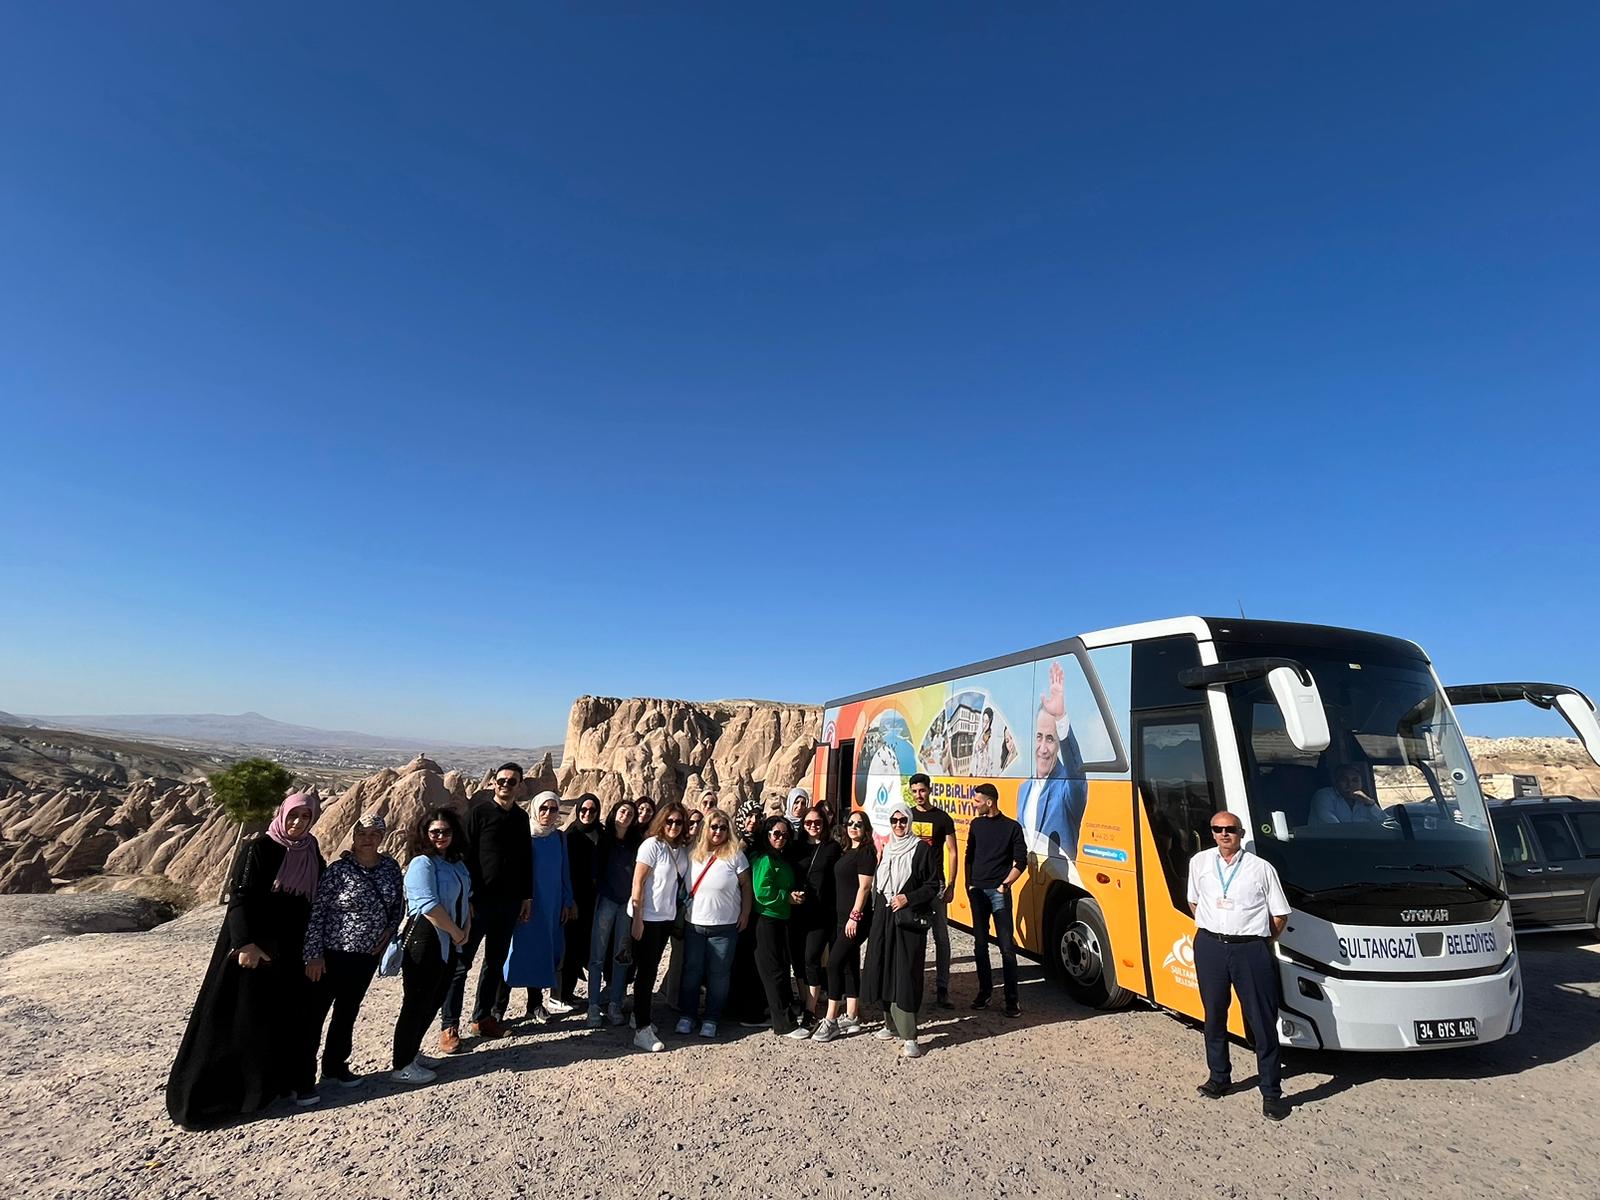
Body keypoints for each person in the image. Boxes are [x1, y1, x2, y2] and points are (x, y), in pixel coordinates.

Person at [167, 794, 325, 1126]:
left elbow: (314, 905)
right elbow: (241, 899)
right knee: (236, 1020)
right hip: (254, 950)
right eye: (293, 815)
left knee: (274, 1021)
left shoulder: (311, 852)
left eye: (305, 817)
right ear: (282, 814)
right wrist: (245, 945)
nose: (298, 822)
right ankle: (211, 1100)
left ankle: (265, 1091)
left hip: (290, 952)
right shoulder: (260, 849)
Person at [1187, 810, 1292, 1121]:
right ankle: (1219, 1078)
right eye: (1217, 829)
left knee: (1261, 1020)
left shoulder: (1261, 869)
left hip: (1250, 949)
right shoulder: (1200, 863)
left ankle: (1271, 1093)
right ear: (1212, 833)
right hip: (1210, 946)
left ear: (1241, 832)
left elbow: (1280, 915)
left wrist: (1257, 941)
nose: (1224, 834)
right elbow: (1194, 901)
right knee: (1214, 1015)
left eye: (1230, 829)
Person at [302, 812, 404, 1089]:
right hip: (332, 954)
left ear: (382, 838)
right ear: (354, 837)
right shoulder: (338, 870)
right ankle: (302, 1077)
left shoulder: (390, 868)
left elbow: (398, 906)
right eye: (362, 834)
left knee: (347, 1011)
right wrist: (313, 954)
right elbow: (318, 913)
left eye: (373, 835)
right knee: (315, 1014)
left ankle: (335, 1067)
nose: (367, 839)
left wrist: (389, 930)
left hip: (366, 957)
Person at [439, 763, 532, 1053]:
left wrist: (526, 897)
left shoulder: (520, 817)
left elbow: (525, 859)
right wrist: (465, 899)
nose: (506, 785)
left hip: (508, 903)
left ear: (519, 786)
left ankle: (482, 1018)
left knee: (495, 962)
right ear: (494, 783)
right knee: (461, 964)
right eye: (501, 780)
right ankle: (449, 1025)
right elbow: (464, 856)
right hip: (478, 903)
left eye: (512, 781)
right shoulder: (479, 813)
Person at [392, 808, 472, 1085]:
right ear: (425, 834)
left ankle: (412, 1053)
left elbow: (467, 900)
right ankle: (402, 1064)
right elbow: (427, 905)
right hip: (425, 938)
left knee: (434, 999)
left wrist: (464, 932)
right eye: (434, 831)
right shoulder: (422, 864)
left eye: (446, 831)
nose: (440, 836)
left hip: (449, 939)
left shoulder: (455, 863)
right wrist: (457, 933)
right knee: (415, 1002)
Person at [861, 801, 942, 1058]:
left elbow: (933, 885)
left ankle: (910, 1035)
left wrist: (908, 897)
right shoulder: (888, 849)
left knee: (905, 971)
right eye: (894, 821)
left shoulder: (921, 850)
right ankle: (890, 1024)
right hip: (884, 915)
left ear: (909, 822)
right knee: (884, 965)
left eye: (902, 821)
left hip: (907, 917)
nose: (898, 825)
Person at [674, 807, 752, 1038]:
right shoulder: (692, 853)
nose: (718, 831)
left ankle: (711, 1018)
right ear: (705, 829)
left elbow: (746, 885)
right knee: (692, 971)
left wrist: (745, 913)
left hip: (725, 925)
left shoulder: (735, 854)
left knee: (719, 974)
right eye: (714, 827)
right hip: (695, 923)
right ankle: (688, 1015)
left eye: (723, 828)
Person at [505, 791, 576, 1022]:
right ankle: (495, 1009)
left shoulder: (559, 838)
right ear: (535, 809)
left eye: (553, 809)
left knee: (543, 951)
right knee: (515, 952)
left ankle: (534, 1003)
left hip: (552, 903)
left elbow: (565, 872)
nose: (547, 814)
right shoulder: (523, 836)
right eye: (543, 809)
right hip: (527, 903)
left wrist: (568, 900)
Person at [628, 800, 691, 1052]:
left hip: (666, 918)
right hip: (647, 918)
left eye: (678, 822)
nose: (674, 826)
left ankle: (640, 1016)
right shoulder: (651, 846)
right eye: (670, 821)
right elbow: (638, 883)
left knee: (651, 969)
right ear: (661, 822)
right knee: (644, 972)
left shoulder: (681, 849)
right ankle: (642, 1029)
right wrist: (637, 919)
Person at [811, 809, 877, 1043]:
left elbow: (864, 888)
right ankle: (852, 1014)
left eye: (858, 824)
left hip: (855, 919)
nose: (853, 827)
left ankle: (831, 1020)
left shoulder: (867, 852)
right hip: (841, 918)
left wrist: (854, 916)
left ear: (866, 829)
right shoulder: (848, 850)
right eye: (850, 823)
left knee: (834, 963)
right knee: (849, 964)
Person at [963, 783, 1027, 1017]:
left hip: (998, 893)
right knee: (980, 945)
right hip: (977, 891)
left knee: (1006, 947)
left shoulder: (1012, 827)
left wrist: (1004, 885)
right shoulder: (976, 825)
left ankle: (1012, 1000)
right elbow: (969, 855)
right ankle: (984, 992)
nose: (974, 804)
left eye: (977, 801)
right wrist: (968, 884)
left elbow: (1021, 861)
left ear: (989, 802)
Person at [1018, 661, 1090, 859]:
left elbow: (1076, 773)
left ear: (1059, 743)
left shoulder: (1067, 786)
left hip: (1059, 881)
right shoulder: (1024, 789)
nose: (1042, 748)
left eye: (1050, 738)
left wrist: (1061, 718)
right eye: (1039, 736)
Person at [750, 815, 811, 1040]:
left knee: (782, 968)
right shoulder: (765, 859)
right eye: (776, 833)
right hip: (766, 920)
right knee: (774, 971)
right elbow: (762, 892)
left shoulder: (780, 858)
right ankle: (783, 1024)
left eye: (785, 835)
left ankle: (779, 1012)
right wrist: (788, 898)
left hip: (780, 919)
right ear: (767, 834)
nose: (781, 838)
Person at [586, 800, 639, 1028]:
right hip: (607, 901)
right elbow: (595, 871)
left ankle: (615, 1003)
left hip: (627, 904)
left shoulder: (636, 843)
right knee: (597, 955)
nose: (625, 816)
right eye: (622, 811)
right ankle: (593, 1005)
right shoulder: (603, 839)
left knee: (621, 956)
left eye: (630, 813)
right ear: (614, 814)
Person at [907, 773, 957, 1009]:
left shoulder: (942, 818)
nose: (919, 795)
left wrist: (951, 885)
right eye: (915, 791)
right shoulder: (906, 816)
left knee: (941, 938)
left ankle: (943, 989)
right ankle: (911, 986)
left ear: (929, 790)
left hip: (936, 885)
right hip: (912, 887)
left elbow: (953, 851)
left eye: (922, 790)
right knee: (913, 936)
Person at [795, 805, 842, 1025]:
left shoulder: (832, 848)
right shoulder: (797, 847)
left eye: (817, 822)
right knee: (799, 961)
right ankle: (805, 1001)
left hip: (821, 913)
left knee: (811, 958)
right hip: (797, 911)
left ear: (824, 823)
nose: (813, 826)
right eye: (808, 823)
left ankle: (810, 1011)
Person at [561, 794, 602, 1006]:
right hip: (574, 901)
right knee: (569, 947)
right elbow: (564, 873)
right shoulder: (569, 836)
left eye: (592, 811)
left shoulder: (601, 835)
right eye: (583, 810)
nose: (587, 814)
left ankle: (579, 994)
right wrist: (570, 901)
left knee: (588, 946)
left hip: (595, 901)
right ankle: (560, 994)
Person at [1310, 765, 1387, 825]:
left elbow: (1386, 824)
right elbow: (1333, 827)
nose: (1350, 784)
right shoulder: (1324, 796)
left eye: (1355, 780)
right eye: (1344, 780)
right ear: (1336, 782)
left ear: (1361, 783)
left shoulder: (1364, 801)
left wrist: (1370, 803)